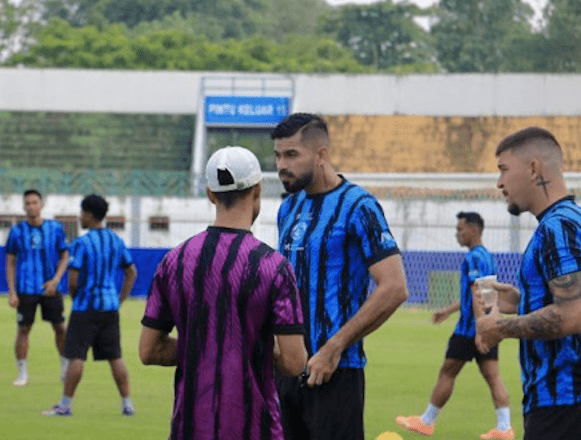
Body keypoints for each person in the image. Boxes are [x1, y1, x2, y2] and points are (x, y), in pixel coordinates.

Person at [139, 146, 308, 439]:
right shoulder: (274, 267)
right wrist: (242, 349)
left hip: (190, 427)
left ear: (210, 194)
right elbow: (294, 363)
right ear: (258, 190)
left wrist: (206, 348)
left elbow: (149, 350)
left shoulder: (174, 261)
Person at [271, 113, 409, 440]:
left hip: (335, 371)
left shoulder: (359, 206)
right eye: (277, 155)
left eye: (291, 155)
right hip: (285, 370)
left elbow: (394, 287)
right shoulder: (288, 208)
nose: (281, 165)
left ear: (321, 155)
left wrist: (335, 346)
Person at [475, 127, 581, 440]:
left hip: (564, 403)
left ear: (533, 169)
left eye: (504, 170)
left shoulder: (557, 228)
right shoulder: (567, 220)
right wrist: (524, 300)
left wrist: (501, 327)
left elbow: (573, 315)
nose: (499, 183)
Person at [396, 212, 513, 439]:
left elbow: (477, 292)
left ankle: (427, 421)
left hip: (469, 331)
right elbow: (484, 293)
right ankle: (505, 427)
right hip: (488, 326)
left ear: (473, 230)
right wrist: (449, 310)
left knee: (447, 372)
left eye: (460, 229)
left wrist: (479, 329)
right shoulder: (488, 257)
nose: (456, 234)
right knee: (493, 376)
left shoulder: (472, 258)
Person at [43, 194, 138, 417]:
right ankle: (127, 404)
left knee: (76, 356)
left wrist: (76, 298)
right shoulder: (116, 240)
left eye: (81, 212)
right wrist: (120, 299)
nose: (79, 217)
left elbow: (73, 279)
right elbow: (131, 272)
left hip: (86, 307)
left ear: (89, 214)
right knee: (115, 356)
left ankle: (65, 406)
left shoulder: (81, 243)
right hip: (109, 308)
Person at [5, 189, 70, 386]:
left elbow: (65, 256)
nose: (31, 206)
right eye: (27, 203)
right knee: (23, 329)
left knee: (60, 327)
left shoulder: (55, 228)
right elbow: (10, 262)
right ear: (24, 206)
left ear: (41, 205)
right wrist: (12, 292)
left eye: (34, 202)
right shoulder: (16, 231)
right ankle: (22, 373)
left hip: (50, 289)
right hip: (26, 288)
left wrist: (56, 280)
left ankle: (65, 369)